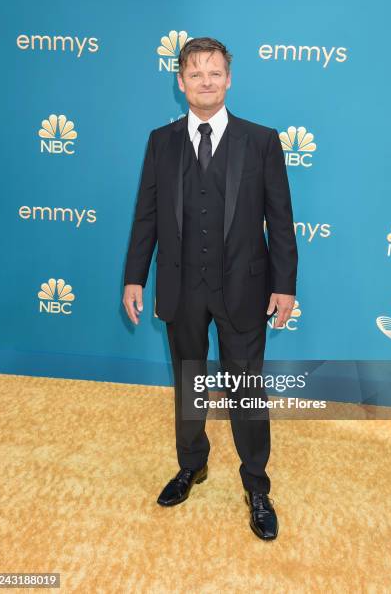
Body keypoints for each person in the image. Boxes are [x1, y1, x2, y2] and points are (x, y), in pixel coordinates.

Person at [123, 37, 298, 540]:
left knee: (246, 389)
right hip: (182, 287)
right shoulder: (162, 141)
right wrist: (136, 275)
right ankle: (191, 465)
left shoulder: (260, 140)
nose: (205, 81)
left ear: (229, 80)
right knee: (189, 383)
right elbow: (147, 214)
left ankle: (257, 485)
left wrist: (284, 284)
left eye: (214, 73)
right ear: (180, 83)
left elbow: (280, 220)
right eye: (195, 74)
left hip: (244, 286)